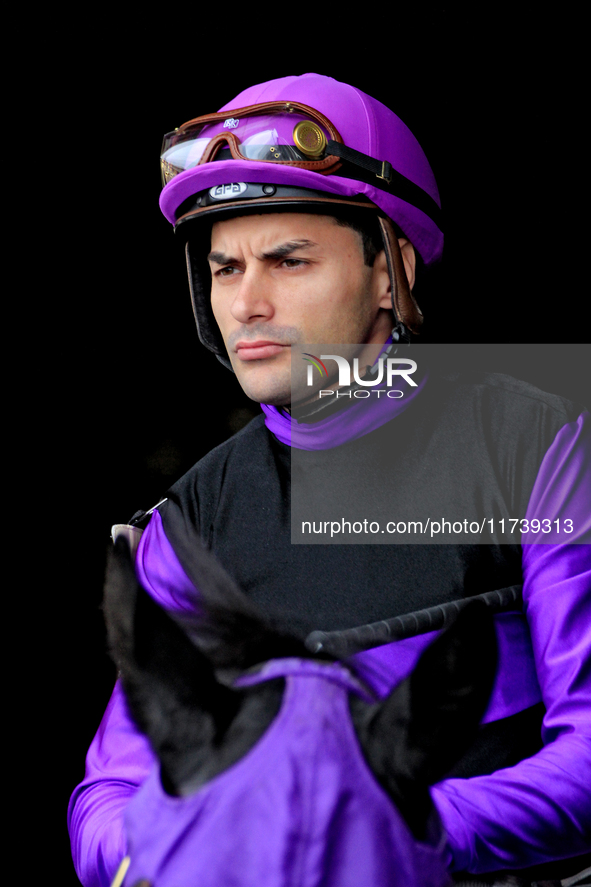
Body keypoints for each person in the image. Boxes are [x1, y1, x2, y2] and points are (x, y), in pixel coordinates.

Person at [68, 73, 591, 886]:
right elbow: (113, 788)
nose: (248, 301)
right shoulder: (190, 520)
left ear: (392, 271)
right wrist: (181, 844)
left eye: (288, 260)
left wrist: (362, 825)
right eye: (225, 268)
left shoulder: (541, 443)